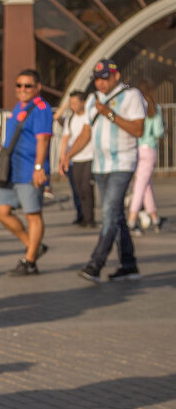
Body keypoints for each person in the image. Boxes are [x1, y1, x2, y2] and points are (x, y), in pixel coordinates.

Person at [66, 59, 145, 283]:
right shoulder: (92, 100)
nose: (101, 83)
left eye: (105, 78)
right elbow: (86, 133)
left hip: (122, 163)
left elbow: (138, 129)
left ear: (116, 76)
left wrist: (109, 114)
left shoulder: (132, 96)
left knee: (109, 214)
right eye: (98, 79)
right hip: (100, 165)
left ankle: (95, 263)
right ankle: (129, 265)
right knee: (116, 215)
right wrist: (68, 155)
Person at [0, 69, 53, 276]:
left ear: (38, 87)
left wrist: (39, 168)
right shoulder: (20, 105)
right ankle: (33, 247)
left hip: (29, 169)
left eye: (27, 86)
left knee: (32, 214)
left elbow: (43, 139)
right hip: (11, 168)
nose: (22, 89)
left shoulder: (41, 108)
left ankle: (30, 260)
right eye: (18, 85)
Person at [128, 78, 165, 235]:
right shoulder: (154, 108)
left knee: (145, 184)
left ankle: (154, 217)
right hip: (149, 149)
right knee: (141, 186)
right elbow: (158, 132)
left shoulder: (135, 108)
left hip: (136, 149)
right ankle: (132, 219)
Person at [59, 90, 97, 227]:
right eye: (70, 103)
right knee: (78, 189)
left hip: (89, 157)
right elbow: (65, 139)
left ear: (83, 103)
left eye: (75, 103)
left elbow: (85, 136)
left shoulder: (89, 115)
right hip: (75, 159)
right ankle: (82, 216)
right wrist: (63, 158)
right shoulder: (70, 119)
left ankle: (90, 218)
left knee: (87, 188)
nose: (72, 106)